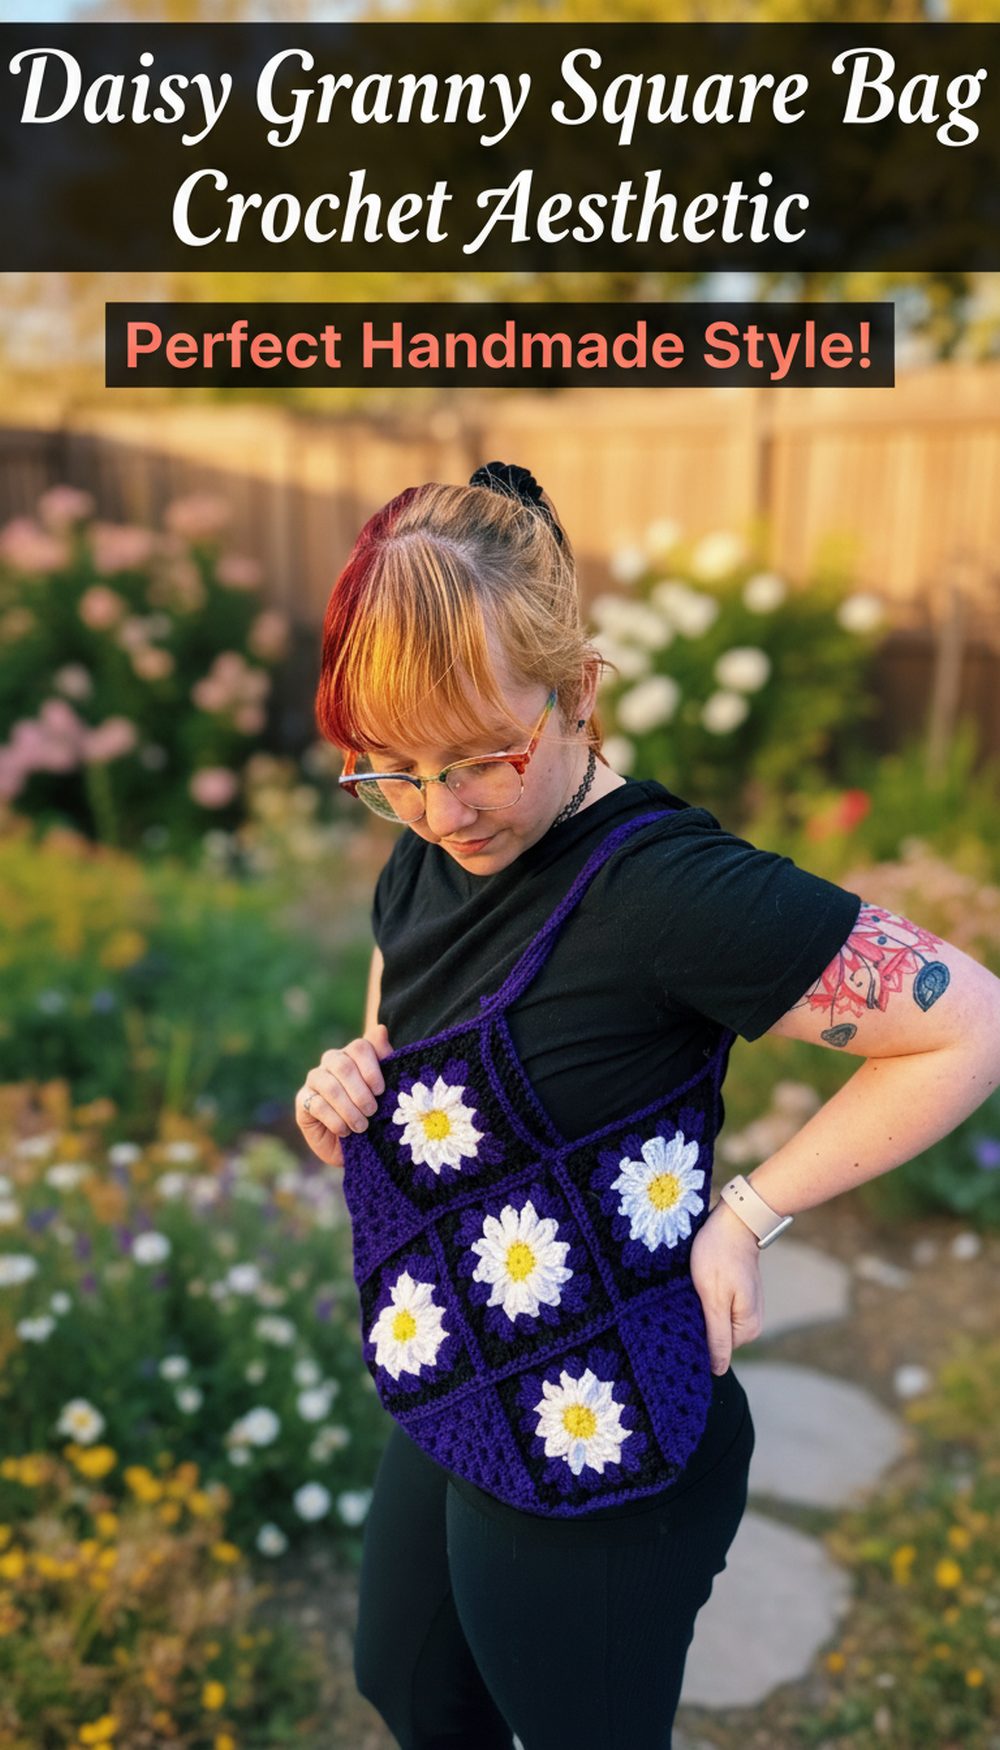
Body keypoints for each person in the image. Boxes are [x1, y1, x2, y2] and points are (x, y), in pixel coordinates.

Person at [296, 463, 1000, 1750]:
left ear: (579, 695)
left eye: (480, 762)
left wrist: (748, 1215)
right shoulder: (436, 831)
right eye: (392, 768)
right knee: (414, 1689)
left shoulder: (670, 892)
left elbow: (971, 1022)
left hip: (607, 1421)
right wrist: (352, 1075)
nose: (440, 812)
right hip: (466, 1362)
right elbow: (406, 1003)